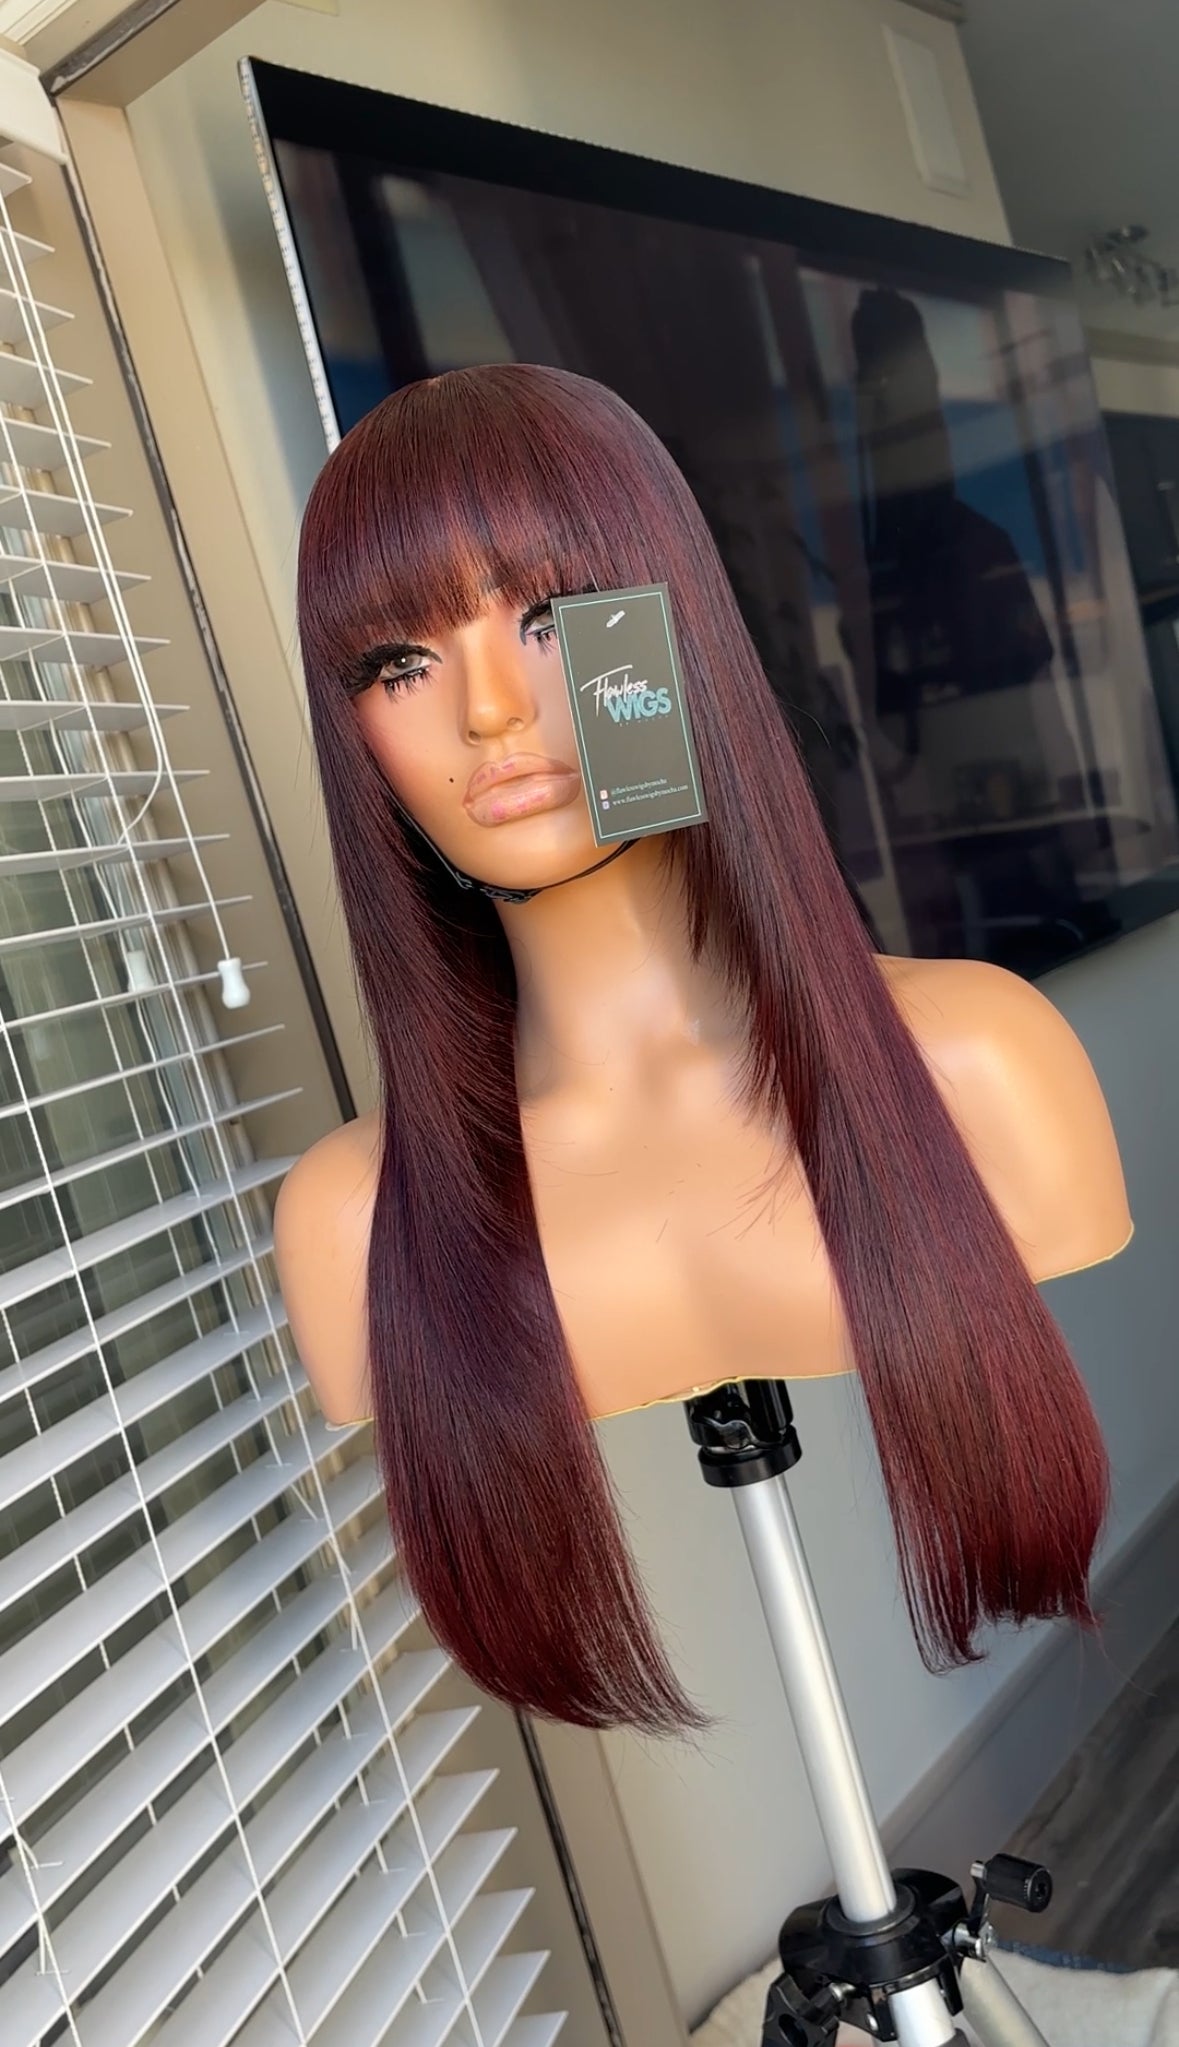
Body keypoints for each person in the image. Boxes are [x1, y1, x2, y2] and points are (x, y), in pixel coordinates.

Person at [276, 362, 1131, 1730]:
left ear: (676, 634)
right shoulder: (356, 1222)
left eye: (548, 618)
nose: (487, 710)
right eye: (402, 663)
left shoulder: (978, 1062)